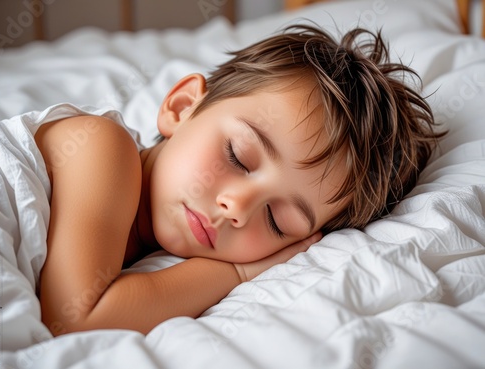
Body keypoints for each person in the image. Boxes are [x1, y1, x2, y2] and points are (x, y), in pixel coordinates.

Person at [33, 24, 444, 336]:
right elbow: (75, 318)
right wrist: (237, 275)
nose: (237, 206)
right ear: (181, 107)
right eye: (239, 157)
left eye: (277, 221)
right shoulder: (103, 149)